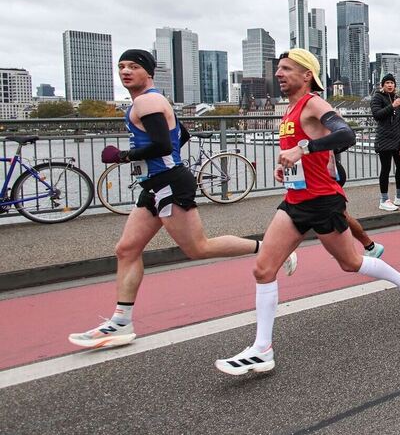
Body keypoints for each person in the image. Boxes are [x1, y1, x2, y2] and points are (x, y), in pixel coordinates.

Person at [69, 49, 298, 350]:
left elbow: (164, 145)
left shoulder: (148, 101)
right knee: (126, 249)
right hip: (154, 185)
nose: (126, 72)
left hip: (169, 184)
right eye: (122, 66)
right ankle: (120, 321)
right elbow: (182, 135)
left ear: (147, 73)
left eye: (134, 67)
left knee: (198, 248)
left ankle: (271, 249)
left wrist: (122, 155)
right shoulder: (148, 101)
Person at [216, 49, 400, 375]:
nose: (279, 74)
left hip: (324, 201)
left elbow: (346, 134)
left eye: (286, 69)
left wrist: (303, 148)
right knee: (263, 269)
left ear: (306, 74)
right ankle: (262, 349)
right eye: (278, 69)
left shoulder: (313, 103)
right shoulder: (289, 110)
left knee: (350, 263)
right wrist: (286, 166)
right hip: (296, 201)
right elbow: (298, 153)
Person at [371, 72, 400, 211]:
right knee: (386, 168)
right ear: (383, 85)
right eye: (387, 83)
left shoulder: (398, 98)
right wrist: (393, 106)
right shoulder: (377, 97)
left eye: (392, 83)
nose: (390, 85)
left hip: (398, 138)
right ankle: (383, 200)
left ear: (395, 85)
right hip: (384, 138)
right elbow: (377, 115)